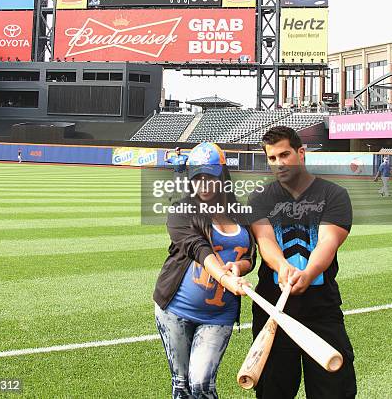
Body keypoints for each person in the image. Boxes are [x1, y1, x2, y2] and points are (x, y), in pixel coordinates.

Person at [248, 126, 356, 399]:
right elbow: (266, 240)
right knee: (272, 392)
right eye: (272, 158)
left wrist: (308, 273)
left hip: (321, 311)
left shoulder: (333, 195)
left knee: (334, 391)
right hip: (273, 312)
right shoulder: (259, 198)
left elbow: (327, 242)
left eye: (285, 155)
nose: (279, 163)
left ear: (301, 152)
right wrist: (282, 267)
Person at [153, 142, 256, 398]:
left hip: (219, 314)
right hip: (175, 310)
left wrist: (239, 266)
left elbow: (251, 256)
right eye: (197, 177)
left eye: (209, 176)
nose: (203, 184)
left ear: (222, 175)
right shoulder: (181, 211)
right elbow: (198, 248)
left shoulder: (240, 213)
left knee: (201, 384)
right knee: (181, 386)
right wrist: (224, 276)